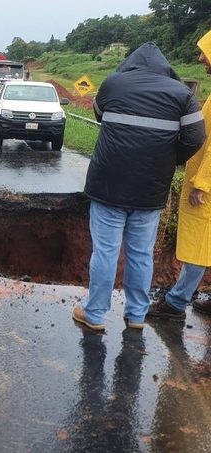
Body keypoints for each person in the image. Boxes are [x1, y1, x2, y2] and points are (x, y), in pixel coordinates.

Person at [72, 42, 206, 332]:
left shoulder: (112, 84)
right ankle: (136, 315)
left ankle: (94, 314)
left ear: (130, 63)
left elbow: (99, 114)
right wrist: (170, 159)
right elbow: (196, 137)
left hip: (108, 184)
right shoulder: (182, 94)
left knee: (106, 252)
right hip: (151, 189)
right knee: (141, 253)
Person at [147, 30, 211, 321]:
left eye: (205, 53)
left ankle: (176, 302)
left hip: (206, 187)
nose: (200, 58)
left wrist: (203, 184)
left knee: (200, 244)